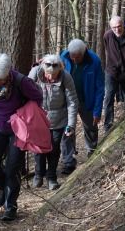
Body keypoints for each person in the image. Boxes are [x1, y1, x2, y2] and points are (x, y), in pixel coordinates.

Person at [0, 53, 43, 221]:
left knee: (13, 168)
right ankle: (5, 188)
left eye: (1, 79)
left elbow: (38, 97)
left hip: (18, 129)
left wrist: (26, 115)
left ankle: (10, 207)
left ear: (8, 73)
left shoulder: (21, 82)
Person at [28, 54, 78, 190]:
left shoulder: (66, 77)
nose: (51, 77)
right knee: (38, 149)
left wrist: (71, 124)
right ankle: (38, 174)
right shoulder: (34, 74)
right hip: (39, 118)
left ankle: (51, 177)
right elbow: (25, 95)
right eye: (48, 74)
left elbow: (72, 102)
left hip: (58, 119)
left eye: (54, 75)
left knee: (54, 149)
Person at [60, 39, 104, 174]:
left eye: (77, 57)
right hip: (68, 101)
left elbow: (100, 88)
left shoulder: (94, 61)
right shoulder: (64, 57)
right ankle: (68, 161)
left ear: (84, 52)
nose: (74, 59)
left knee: (91, 127)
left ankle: (92, 152)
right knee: (68, 129)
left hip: (87, 101)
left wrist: (97, 111)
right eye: (72, 57)